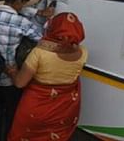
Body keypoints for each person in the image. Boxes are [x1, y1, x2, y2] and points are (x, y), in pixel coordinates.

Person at [7, 13, 87, 141]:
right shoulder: (83, 52)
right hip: (65, 108)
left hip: (37, 107)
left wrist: (11, 71)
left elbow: (20, 83)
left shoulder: (40, 53)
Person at [0, 0, 42, 141]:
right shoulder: (21, 22)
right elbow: (41, 39)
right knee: (11, 115)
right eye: (23, 3)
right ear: (18, 1)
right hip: (11, 75)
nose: (22, 6)